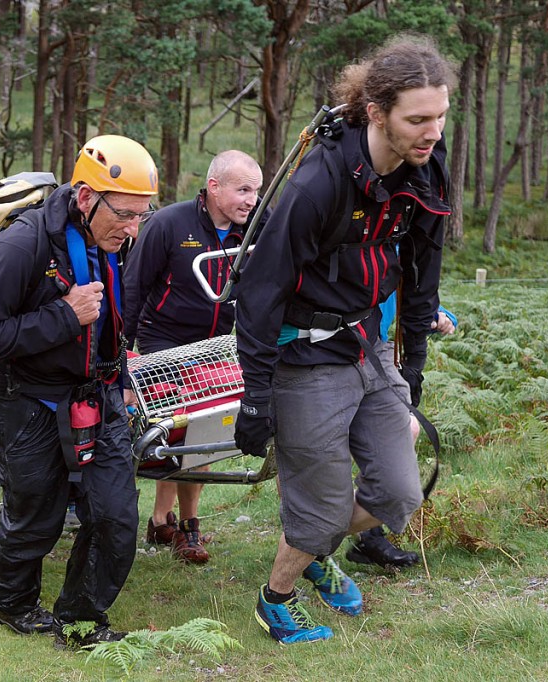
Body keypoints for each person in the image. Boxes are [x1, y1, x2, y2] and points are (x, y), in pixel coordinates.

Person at [233, 35, 456, 644]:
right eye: (418, 119)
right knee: (322, 509)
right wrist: (255, 394)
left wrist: (413, 363)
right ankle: (276, 597)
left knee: (399, 492)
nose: (432, 131)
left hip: (367, 347)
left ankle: (314, 550)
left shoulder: (427, 166)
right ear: (377, 112)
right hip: (304, 359)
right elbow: (258, 290)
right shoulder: (319, 183)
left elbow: (421, 272)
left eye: (439, 116)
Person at [0, 135, 157, 646]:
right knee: (35, 516)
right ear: (86, 197)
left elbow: (108, 320)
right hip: (27, 402)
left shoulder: (110, 239)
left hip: (100, 395)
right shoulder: (23, 246)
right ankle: (10, 603)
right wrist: (62, 316)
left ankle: (80, 618)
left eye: (142, 215)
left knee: (116, 517)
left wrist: (124, 378)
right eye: (126, 214)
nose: (134, 229)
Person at [124, 149, 265, 565]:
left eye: (256, 191)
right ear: (214, 187)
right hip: (162, 341)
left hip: (217, 344)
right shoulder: (170, 224)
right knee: (181, 430)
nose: (251, 201)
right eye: (243, 190)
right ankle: (185, 526)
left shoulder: (255, 225)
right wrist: (121, 358)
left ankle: (165, 520)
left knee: (201, 432)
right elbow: (132, 288)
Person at [346, 302, 457, 568]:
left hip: (373, 352)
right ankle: (306, 543)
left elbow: (404, 291)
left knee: (410, 428)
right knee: (321, 447)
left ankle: (368, 533)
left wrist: (438, 315)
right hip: (316, 352)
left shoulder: (387, 263)